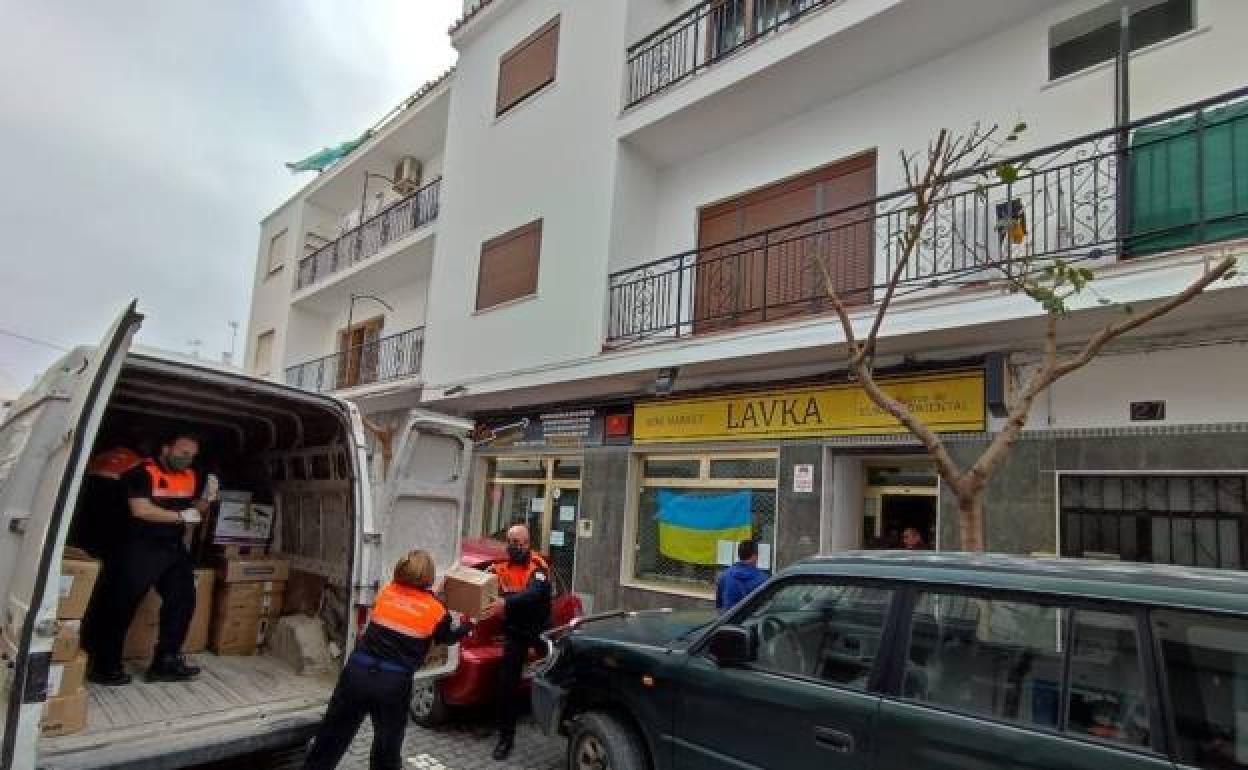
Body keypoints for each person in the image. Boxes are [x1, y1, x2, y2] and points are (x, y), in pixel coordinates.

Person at [303, 551, 470, 770]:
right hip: (392, 683)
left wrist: (431, 595)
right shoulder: (437, 611)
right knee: (386, 747)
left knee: (330, 738)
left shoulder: (386, 592)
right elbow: (446, 638)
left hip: (356, 673)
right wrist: (469, 625)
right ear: (429, 576)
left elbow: (407, 601)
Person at [85, 433, 217, 685]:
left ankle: (165, 662)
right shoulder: (140, 472)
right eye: (182, 452)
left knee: (183, 600)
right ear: (166, 449)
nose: (186, 459)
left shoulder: (191, 476)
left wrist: (206, 499)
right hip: (140, 546)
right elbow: (140, 509)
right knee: (121, 605)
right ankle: (105, 665)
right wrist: (181, 517)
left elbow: (195, 510)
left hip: (173, 547)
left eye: (191, 455)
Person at [482, 524, 552, 761]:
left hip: (538, 633)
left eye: (519, 543)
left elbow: (534, 594)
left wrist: (505, 603)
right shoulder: (502, 567)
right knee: (506, 686)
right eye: (511, 543)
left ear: (528, 543)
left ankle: (553, 721)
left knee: (551, 678)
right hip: (514, 633)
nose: (515, 547)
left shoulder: (538, 566)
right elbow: (483, 580)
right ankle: (505, 739)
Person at [715, 539, 769, 612]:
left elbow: (719, 605)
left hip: (728, 620)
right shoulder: (763, 579)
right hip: (750, 621)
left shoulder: (724, 575)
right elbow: (766, 607)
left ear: (739, 554)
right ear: (754, 556)